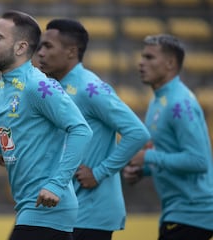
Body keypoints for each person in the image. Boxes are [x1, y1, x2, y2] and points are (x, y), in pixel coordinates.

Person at [0, 10, 93, 240]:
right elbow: (5, 137)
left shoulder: (37, 86)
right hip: (29, 207)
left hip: (47, 208)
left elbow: (81, 130)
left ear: (20, 48)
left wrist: (56, 184)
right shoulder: (2, 88)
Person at [36, 19, 151, 240]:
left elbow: (137, 132)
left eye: (48, 46)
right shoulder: (53, 88)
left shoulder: (90, 88)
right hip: (64, 211)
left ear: (71, 52)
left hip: (90, 215)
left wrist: (99, 172)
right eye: (40, 46)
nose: (40, 53)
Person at [123, 34, 213, 240]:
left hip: (193, 213)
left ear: (170, 63)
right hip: (179, 213)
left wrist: (147, 158)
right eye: (142, 56)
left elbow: (198, 160)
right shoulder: (159, 100)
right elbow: (170, 153)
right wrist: (142, 170)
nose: (141, 62)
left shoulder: (180, 103)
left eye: (149, 57)